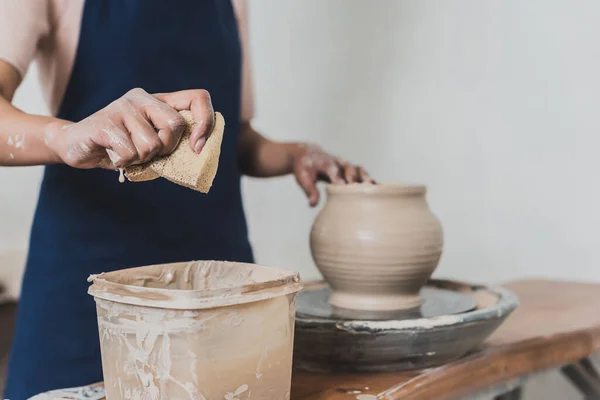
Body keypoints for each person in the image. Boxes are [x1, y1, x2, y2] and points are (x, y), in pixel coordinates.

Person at [0, 0, 373, 398]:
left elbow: (232, 140)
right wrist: (66, 137)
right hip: (90, 284)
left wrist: (295, 154)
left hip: (216, 283)